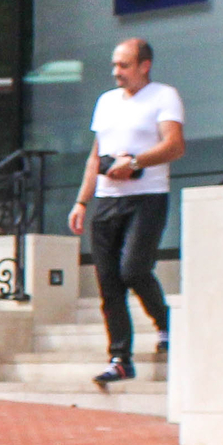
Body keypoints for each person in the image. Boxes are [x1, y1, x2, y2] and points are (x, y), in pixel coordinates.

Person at [67, 37, 183, 385]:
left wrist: (134, 162)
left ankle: (166, 324)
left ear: (144, 66)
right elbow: (94, 158)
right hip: (106, 199)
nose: (116, 72)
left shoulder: (164, 96)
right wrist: (82, 201)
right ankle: (120, 358)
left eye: (124, 65)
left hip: (147, 197)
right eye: (115, 65)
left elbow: (175, 145)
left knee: (133, 269)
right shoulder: (106, 102)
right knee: (108, 283)